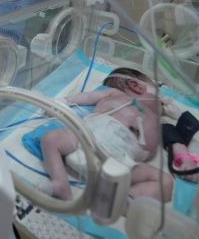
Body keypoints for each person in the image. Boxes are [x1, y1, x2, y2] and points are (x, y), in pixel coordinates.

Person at [39, 68, 170, 202]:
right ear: (136, 86)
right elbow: (88, 97)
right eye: (158, 93)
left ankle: (124, 200)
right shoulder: (115, 94)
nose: (161, 100)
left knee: (166, 182)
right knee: (51, 138)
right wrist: (63, 101)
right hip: (88, 140)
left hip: (121, 161)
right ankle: (60, 184)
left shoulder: (156, 118)